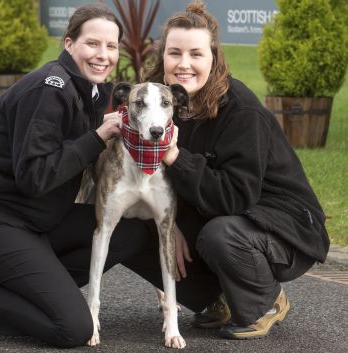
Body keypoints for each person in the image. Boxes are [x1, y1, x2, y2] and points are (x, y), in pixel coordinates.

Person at [0, 4, 152, 348]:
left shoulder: (91, 90)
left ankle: (31, 287)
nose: (103, 55)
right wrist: (98, 137)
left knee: (129, 231)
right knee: (73, 328)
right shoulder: (49, 89)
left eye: (111, 46)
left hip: (40, 222)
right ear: (68, 43)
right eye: (92, 43)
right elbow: (35, 177)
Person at [124, 2, 330, 340]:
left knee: (220, 235)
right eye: (174, 53)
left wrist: (176, 156)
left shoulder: (241, 111)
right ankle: (219, 298)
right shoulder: (157, 100)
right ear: (162, 57)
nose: (184, 64)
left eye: (196, 54)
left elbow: (235, 197)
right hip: (222, 214)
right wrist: (168, 222)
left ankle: (263, 301)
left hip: (281, 228)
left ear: (214, 58)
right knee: (135, 221)